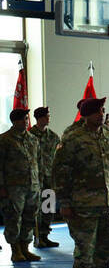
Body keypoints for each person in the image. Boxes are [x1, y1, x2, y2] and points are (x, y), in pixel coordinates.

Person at [53, 96, 109, 268]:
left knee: (106, 250)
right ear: (86, 114)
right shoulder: (73, 139)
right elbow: (60, 172)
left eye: (102, 110)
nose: (101, 114)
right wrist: (64, 202)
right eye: (97, 111)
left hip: (107, 204)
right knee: (85, 251)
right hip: (82, 205)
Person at [0, 107, 40, 262]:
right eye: (23, 119)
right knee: (13, 218)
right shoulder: (4, 140)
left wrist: (39, 182)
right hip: (13, 187)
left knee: (30, 217)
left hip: (32, 185)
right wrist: (1, 187)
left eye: (27, 119)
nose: (26, 122)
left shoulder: (32, 139)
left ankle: (25, 248)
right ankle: (15, 250)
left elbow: (37, 162)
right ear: (15, 121)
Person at [31, 106, 60, 247]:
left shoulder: (53, 137)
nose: (49, 118)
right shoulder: (30, 136)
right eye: (46, 116)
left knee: (48, 208)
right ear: (39, 118)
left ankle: (45, 235)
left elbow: (58, 158)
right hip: (34, 180)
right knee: (36, 209)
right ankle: (36, 237)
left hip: (49, 178)